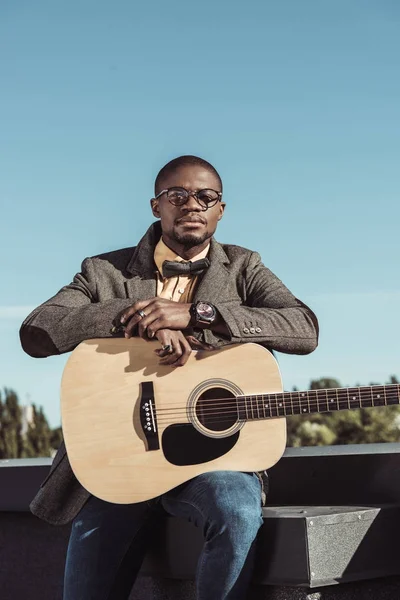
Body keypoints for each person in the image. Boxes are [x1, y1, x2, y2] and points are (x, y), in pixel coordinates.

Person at [20, 155, 319, 600]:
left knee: (237, 511)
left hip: (214, 464)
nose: (192, 204)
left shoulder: (244, 266)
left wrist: (198, 315)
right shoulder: (104, 271)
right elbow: (38, 330)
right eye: (177, 195)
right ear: (156, 206)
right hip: (116, 462)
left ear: (221, 209)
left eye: (206, 196)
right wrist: (136, 315)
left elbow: (304, 328)